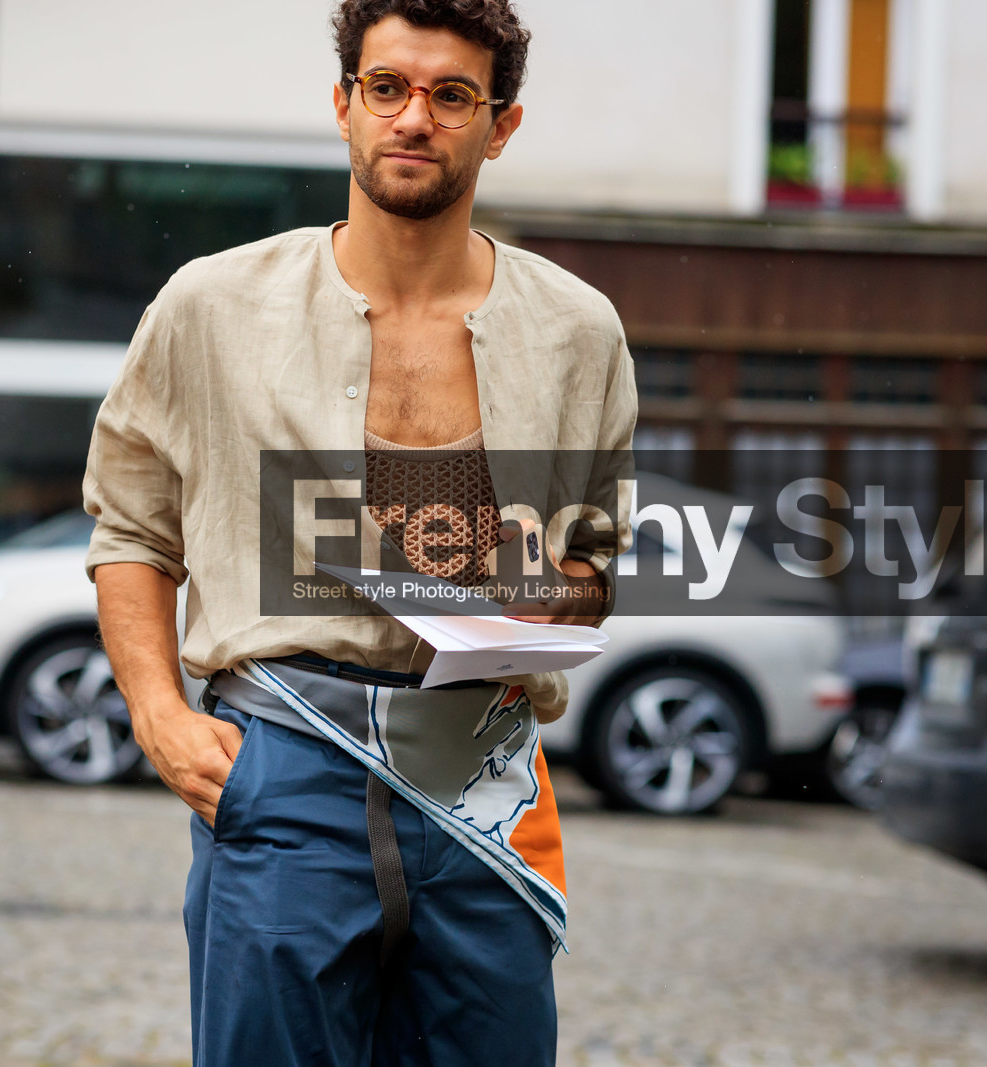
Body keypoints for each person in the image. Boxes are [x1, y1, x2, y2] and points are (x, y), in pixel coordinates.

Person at [83, 2, 638, 1063]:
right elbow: (132, 530)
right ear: (344, 107)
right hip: (284, 761)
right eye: (386, 87)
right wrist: (158, 715)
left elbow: (594, 564)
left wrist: (553, 593)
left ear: (500, 124)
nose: (413, 118)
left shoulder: (576, 329)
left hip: (480, 774)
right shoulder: (211, 306)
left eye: (450, 95)